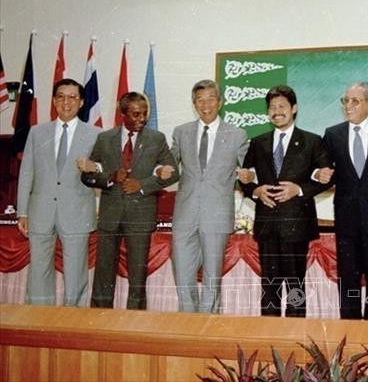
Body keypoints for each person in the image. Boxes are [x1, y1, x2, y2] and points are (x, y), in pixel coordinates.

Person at [238, 85, 331, 317]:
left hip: (296, 225)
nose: (277, 111)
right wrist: (256, 191)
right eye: (272, 107)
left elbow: (327, 177)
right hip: (267, 224)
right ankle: (269, 334)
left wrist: (299, 190)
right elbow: (246, 178)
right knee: (269, 287)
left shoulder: (312, 141)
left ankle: (296, 333)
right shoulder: (257, 142)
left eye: (282, 106)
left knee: (295, 286)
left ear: (294, 108)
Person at [80, 91, 178, 310]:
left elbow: (174, 173)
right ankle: (99, 318)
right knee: (103, 272)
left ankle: (136, 320)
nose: (142, 118)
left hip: (140, 216)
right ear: (122, 114)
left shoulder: (157, 138)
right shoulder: (105, 138)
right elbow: (87, 175)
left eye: (144, 113)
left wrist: (142, 185)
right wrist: (111, 177)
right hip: (110, 217)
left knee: (137, 274)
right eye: (135, 114)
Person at [319, 82, 368, 320]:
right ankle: (350, 330)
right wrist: (318, 174)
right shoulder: (333, 134)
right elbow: (323, 170)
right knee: (348, 280)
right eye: (345, 100)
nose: (348, 106)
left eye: (355, 101)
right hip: (347, 222)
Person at [16, 78, 100, 306]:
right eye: (61, 97)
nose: (66, 102)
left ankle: (74, 319)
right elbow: (27, 172)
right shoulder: (37, 132)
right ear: (54, 101)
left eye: (72, 97)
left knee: (75, 274)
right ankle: (38, 318)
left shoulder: (95, 134)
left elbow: (104, 172)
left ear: (81, 102)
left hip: (77, 213)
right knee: (39, 271)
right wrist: (22, 212)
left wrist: (94, 167)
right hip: (40, 212)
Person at [170, 79, 249, 313]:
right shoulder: (181, 132)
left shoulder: (237, 134)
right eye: (200, 100)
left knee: (212, 277)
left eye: (211, 99)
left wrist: (249, 175)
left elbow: (250, 169)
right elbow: (169, 166)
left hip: (217, 215)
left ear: (220, 102)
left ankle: (209, 323)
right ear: (194, 103)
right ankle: (187, 323)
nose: (205, 105)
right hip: (185, 215)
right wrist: (159, 170)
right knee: (182, 275)